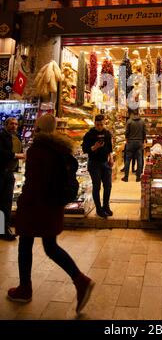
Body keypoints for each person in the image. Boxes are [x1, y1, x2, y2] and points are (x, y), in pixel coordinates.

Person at [7, 114, 94, 313]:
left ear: (38, 128)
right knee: (50, 246)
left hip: (36, 205)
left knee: (25, 244)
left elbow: (33, 183)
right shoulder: (60, 148)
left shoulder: (38, 150)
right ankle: (80, 280)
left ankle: (25, 288)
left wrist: (22, 203)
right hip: (53, 204)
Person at [82, 114, 114, 218]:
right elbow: (85, 149)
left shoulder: (107, 133)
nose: (99, 126)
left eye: (101, 124)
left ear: (104, 123)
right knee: (97, 187)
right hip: (94, 163)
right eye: (97, 124)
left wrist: (111, 157)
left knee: (108, 185)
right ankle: (99, 209)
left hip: (105, 163)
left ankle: (106, 206)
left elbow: (109, 147)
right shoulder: (89, 134)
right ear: (95, 123)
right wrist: (94, 147)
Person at [0, 117, 25, 241]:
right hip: (1, 172)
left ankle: (4, 229)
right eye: (11, 124)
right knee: (2, 203)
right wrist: (16, 155)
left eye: (16, 124)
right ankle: (3, 230)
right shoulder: (1, 136)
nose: (14, 126)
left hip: (9, 173)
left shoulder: (16, 137)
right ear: (6, 124)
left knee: (6, 203)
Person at [121, 108, 146, 183]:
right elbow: (144, 132)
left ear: (132, 114)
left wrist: (126, 140)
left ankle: (126, 177)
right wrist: (144, 142)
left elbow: (126, 132)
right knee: (139, 159)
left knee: (128, 160)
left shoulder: (129, 121)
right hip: (139, 142)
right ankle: (138, 177)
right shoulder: (142, 122)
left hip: (130, 142)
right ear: (138, 114)